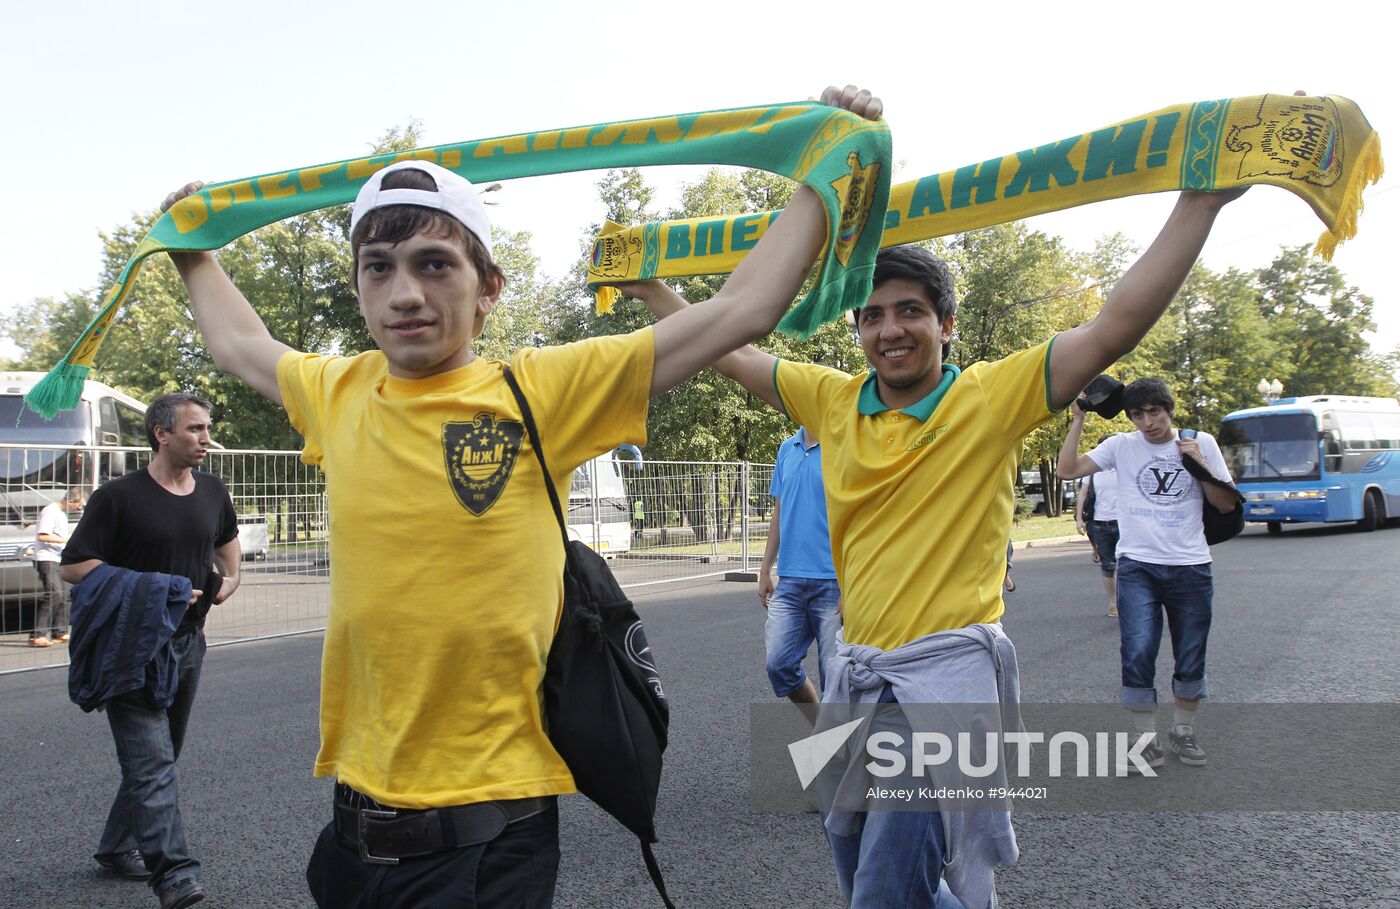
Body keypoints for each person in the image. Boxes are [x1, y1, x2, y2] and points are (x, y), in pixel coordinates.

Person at [160, 86, 882, 907]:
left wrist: (826, 164)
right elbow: (238, 342)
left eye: (435, 264)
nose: (405, 292)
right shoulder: (336, 389)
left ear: (489, 287)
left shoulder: (542, 389)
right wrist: (193, 251)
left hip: (488, 837)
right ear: (358, 285)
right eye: (379, 267)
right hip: (354, 829)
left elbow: (742, 308)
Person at [627, 185, 1246, 907]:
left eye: (910, 311)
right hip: (858, 676)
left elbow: (1113, 327)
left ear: (946, 325)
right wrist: (649, 289)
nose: (890, 329)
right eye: (873, 316)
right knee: (865, 869)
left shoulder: (989, 397)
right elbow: (727, 350)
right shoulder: (831, 400)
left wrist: (1201, 204)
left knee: (883, 895)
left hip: (942, 692)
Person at [60, 392, 241, 909]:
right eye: (195, 429)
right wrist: (155, 589)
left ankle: (116, 847)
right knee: (153, 763)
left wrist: (231, 579)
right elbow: (73, 566)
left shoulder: (212, 490)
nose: (206, 439)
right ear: (162, 434)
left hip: (188, 644)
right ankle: (175, 875)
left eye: (207, 429)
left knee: (161, 757)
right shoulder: (118, 497)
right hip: (133, 647)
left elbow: (226, 541)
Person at [1056, 379, 1238, 772]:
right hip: (1138, 565)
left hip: (1191, 565)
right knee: (1138, 649)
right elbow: (1066, 470)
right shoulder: (1121, 446)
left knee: (1191, 650)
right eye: (1138, 415)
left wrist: (1201, 466)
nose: (1147, 422)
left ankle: (1183, 731)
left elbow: (1226, 505)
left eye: (1154, 412)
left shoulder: (1200, 442)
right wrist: (1078, 420)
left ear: (1169, 409)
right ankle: (1145, 740)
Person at [759, 426, 841, 704]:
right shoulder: (787, 449)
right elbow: (779, 511)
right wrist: (765, 570)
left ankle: (835, 731)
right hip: (790, 580)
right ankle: (821, 723)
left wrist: (852, 583)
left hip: (834, 581)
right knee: (778, 666)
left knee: (836, 679)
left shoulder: (842, 445)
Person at [28, 487, 83, 646]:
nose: (79, 509)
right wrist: (67, 541)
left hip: (59, 558)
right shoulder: (50, 511)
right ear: (70, 501)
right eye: (78, 505)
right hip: (47, 558)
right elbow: (42, 535)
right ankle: (37, 634)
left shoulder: (61, 514)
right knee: (54, 593)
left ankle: (60, 631)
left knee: (65, 595)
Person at [1074, 440, 1120, 616]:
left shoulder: (1123, 467)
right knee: (1108, 566)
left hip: (1124, 523)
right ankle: (1114, 602)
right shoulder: (1092, 470)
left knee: (1128, 565)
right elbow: (1082, 494)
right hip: (1100, 523)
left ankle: (1128, 600)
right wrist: (1079, 519)